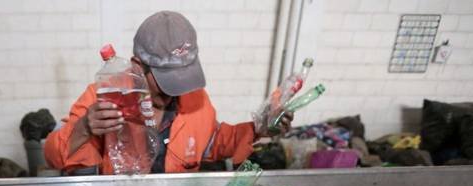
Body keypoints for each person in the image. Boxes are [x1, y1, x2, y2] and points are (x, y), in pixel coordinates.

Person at [44, 10, 293, 175]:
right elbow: (53, 156)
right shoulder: (105, 96)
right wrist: (84, 128)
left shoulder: (195, 98)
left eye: (183, 75)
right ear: (138, 66)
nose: (176, 90)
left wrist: (258, 128)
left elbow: (212, 141)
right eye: (167, 79)